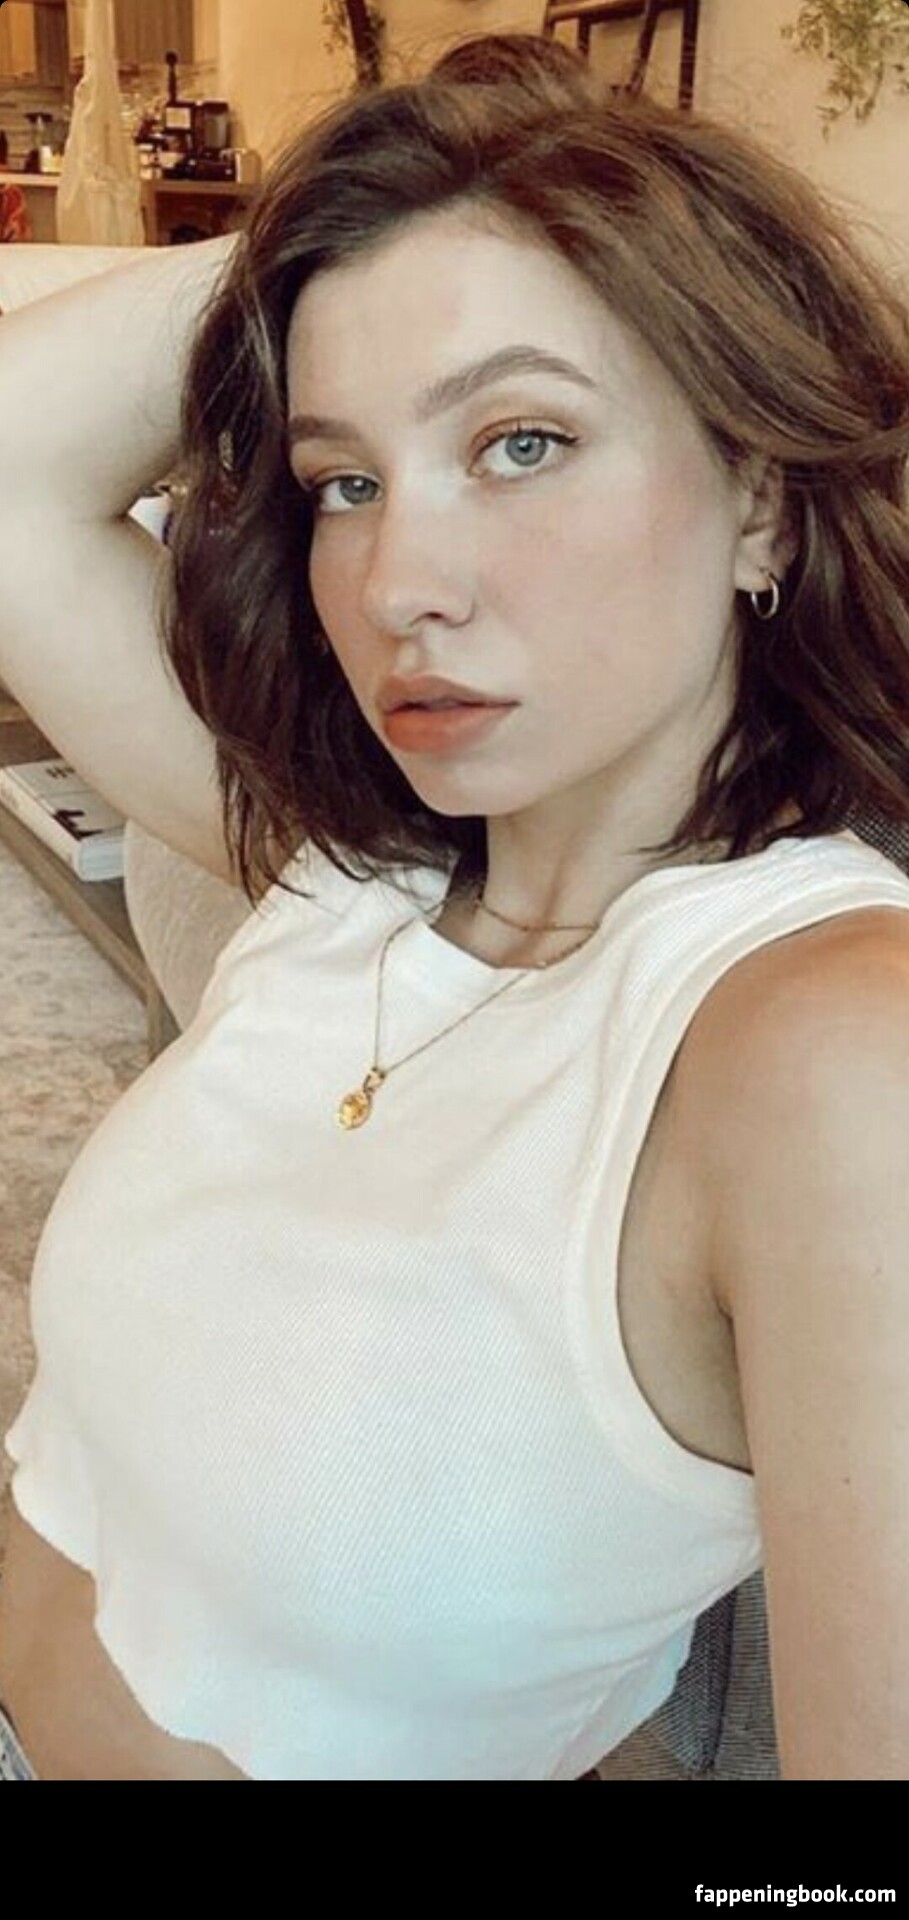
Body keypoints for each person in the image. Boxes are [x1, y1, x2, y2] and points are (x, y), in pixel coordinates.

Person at [1, 30, 909, 1783]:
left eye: (521, 442)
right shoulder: (356, 872)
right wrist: (394, 207)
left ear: (758, 501)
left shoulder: (822, 1051)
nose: (398, 582)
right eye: (345, 481)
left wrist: (557, 190)